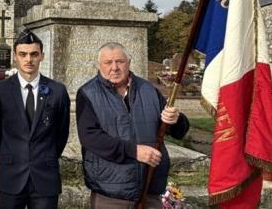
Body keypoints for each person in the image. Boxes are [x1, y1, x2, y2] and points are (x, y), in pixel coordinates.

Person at [76, 42, 190, 209]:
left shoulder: (149, 90)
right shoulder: (87, 93)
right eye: (108, 63)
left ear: (129, 62)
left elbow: (178, 131)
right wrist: (134, 151)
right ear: (98, 65)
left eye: (120, 61)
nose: (114, 68)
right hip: (111, 192)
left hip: (149, 188)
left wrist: (176, 119)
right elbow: (90, 138)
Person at [0, 28, 71, 209]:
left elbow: (61, 134)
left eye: (34, 54)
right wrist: (13, 156)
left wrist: (45, 156)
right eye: (23, 54)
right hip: (11, 176)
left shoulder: (57, 91)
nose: (28, 59)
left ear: (42, 56)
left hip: (45, 177)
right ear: (15, 57)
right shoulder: (0, 91)